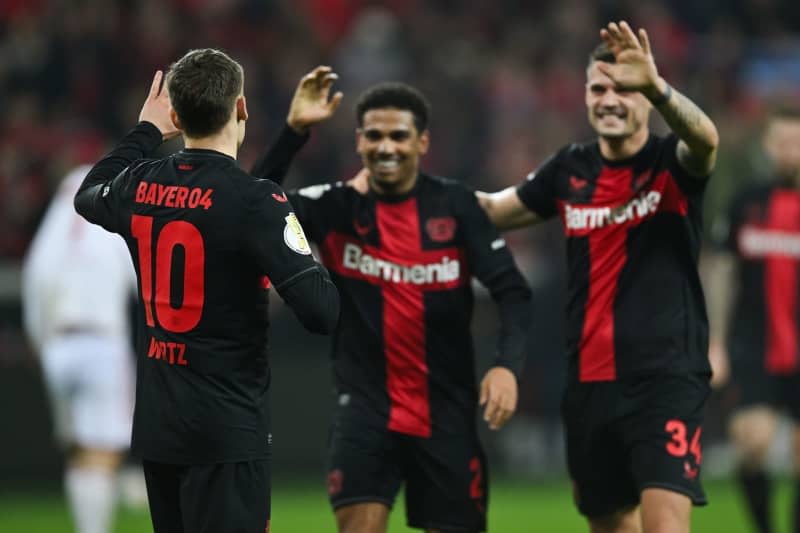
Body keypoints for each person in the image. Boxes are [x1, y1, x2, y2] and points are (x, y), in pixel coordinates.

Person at [254, 67, 532, 533]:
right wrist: (295, 131)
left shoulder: (456, 207)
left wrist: (506, 366)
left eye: (399, 136)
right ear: (359, 141)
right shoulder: (335, 207)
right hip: (365, 412)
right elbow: (256, 209)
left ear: (423, 142)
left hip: (446, 414)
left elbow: (513, 292)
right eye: (376, 136)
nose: (387, 147)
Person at [73, 49, 340, 533]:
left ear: (176, 115)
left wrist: (147, 131)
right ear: (241, 108)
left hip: (160, 432)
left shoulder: (141, 185)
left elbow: (90, 193)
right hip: (226, 432)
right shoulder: (256, 203)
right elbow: (321, 311)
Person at [475, 21, 720, 533]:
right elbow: (496, 209)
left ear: (648, 100)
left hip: (665, 377)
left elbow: (705, 140)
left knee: (665, 524)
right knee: (607, 521)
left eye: (626, 89)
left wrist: (657, 84)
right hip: (588, 381)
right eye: (599, 88)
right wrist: (413, 195)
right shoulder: (569, 169)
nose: (611, 99)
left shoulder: (669, 165)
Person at [22, 165, 137, 533]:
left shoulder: (50, 237)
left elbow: (33, 290)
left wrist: (41, 348)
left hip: (57, 348)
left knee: (78, 449)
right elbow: (142, 279)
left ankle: (108, 499)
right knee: (102, 450)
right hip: (101, 344)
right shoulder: (108, 231)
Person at [705, 107, 800, 533]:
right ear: (767, 146)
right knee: (752, 443)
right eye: (782, 142)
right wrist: (717, 342)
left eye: (797, 142)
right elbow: (721, 271)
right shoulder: (747, 202)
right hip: (754, 342)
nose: (790, 152)